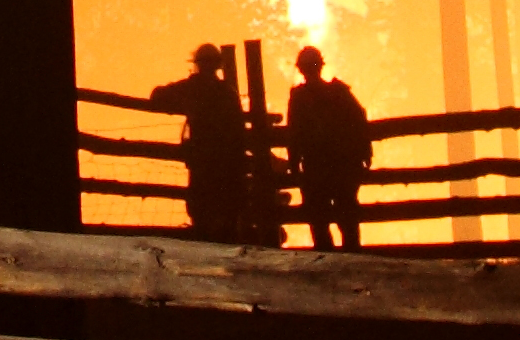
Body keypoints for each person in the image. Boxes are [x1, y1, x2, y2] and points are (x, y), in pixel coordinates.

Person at [156, 48, 268, 247]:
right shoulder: (226, 92)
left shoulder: (192, 87)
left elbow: (157, 95)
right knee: (226, 218)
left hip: (203, 164)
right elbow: (238, 132)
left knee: (203, 216)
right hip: (225, 166)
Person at [285, 43, 376, 251]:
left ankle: (330, 261)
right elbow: (359, 120)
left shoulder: (300, 97)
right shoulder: (339, 92)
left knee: (320, 220)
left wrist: (294, 161)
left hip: (318, 167)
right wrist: (365, 153)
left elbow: (294, 132)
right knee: (345, 218)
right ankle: (352, 257)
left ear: (301, 69)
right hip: (341, 166)